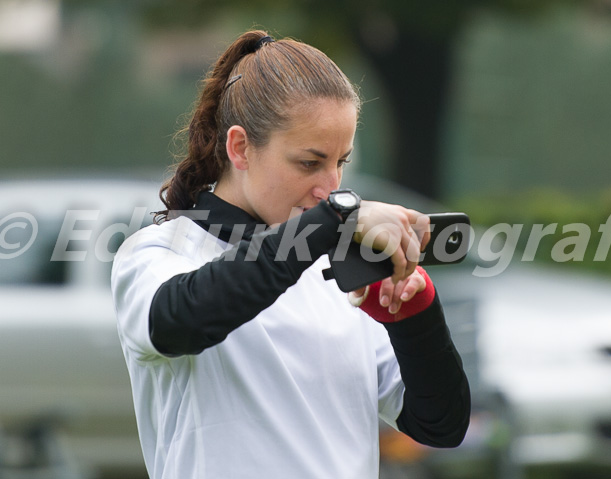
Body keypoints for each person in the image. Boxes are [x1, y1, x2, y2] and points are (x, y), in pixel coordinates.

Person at [111, 30, 470, 479]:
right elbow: (180, 320)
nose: (329, 187)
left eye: (340, 162)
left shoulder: (339, 268)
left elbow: (440, 426)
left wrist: (415, 313)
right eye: (309, 162)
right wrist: (335, 218)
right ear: (240, 148)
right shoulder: (158, 251)